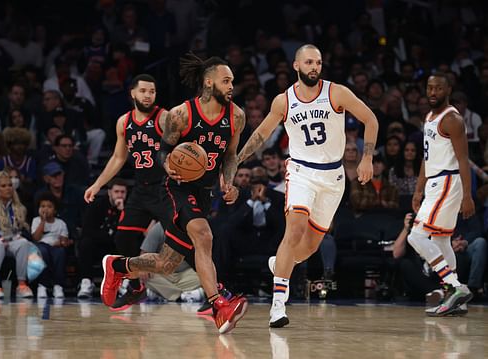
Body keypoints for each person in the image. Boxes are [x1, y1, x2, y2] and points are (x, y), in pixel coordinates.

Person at [100, 53, 248, 334]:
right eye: (226, 80)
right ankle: (218, 304)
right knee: (204, 236)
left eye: (232, 81)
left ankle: (119, 265)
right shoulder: (182, 113)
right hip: (177, 188)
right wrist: (168, 164)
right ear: (208, 82)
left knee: (167, 263)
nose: (231, 86)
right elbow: (163, 150)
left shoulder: (236, 116)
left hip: (205, 192)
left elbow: (230, 156)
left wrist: (227, 182)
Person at [237, 44, 378, 327]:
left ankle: (280, 265)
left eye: (319, 62)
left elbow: (370, 119)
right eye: (309, 62)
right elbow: (262, 133)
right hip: (301, 172)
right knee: (295, 229)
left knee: (309, 247)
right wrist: (237, 160)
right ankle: (278, 305)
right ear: (296, 65)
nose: (315, 67)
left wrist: (367, 158)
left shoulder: (335, 92)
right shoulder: (283, 101)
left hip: (333, 177)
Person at [84, 74, 168, 310]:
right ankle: (136, 286)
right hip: (141, 189)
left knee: (183, 243)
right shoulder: (124, 122)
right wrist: (98, 184)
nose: (148, 95)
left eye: (152, 91)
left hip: (165, 188)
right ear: (132, 93)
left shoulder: (165, 118)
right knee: (122, 237)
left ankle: (213, 293)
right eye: (143, 91)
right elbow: (119, 157)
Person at [407, 72, 475, 317]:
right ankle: (458, 301)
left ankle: (455, 287)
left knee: (416, 237)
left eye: (438, 88)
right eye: (429, 88)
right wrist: (418, 188)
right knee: (440, 240)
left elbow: (464, 160)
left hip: (448, 180)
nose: (432, 92)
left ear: (448, 90)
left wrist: (468, 196)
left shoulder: (452, 119)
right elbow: (427, 158)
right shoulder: (429, 117)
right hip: (436, 182)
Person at [77, 178, 127, 298]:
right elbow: (88, 230)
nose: (119, 195)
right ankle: (86, 282)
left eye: (122, 192)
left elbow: (128, 231)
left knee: (127, 243)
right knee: (85, 243)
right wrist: (108, 236)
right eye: (116, 191)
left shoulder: (128, 208)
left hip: (116, 246)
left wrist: (122, 212)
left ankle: (123, 283)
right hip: (98, 244)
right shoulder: (97, 205)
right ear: (109, 192)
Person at [0, 171, 33, 298]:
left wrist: (17, 236)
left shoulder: (17, 207)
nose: (8, 188)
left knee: (23, 243)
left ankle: (22, 285)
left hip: (8, 241)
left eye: (9, 185)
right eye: (3, 186)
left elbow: (21, 229)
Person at [32, 192, 70, 299]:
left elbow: (64, 240)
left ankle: (58, 285)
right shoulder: (36, 221)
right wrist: (43, 221)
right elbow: (36, 238)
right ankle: (42, 285)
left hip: (55, 246)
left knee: (60, 253)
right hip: (41, 245)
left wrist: (62, 242)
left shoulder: (60, 223)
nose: (46, 209)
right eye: (43, 206)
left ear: (55, 210)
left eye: (49, 206)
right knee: (41, 252)